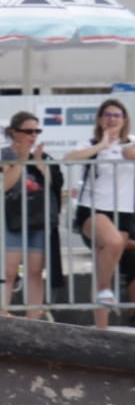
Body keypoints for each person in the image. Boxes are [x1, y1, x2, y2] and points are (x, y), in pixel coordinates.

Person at [64, 98, 135, 326]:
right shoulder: (90, 142)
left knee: (104, 268)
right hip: (93, 209)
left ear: (125, 120)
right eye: (108, 114)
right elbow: (69, 158)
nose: (112, 119)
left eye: (117, 115)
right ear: (99, 119)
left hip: (124, 212)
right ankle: (104, 289)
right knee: (113, 243)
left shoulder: (132, 143)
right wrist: (102, 145)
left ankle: (101, 329)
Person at [0, 111, 61, 320]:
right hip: (11, 217)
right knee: (8, 271)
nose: (33, 135)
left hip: (38, 219)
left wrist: (40, 164)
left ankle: (33, 317)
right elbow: (3, 186)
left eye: (36, 131)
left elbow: (53, 185)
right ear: (14, 132)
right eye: (28, 131)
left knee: (35, 271)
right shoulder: (4, 155)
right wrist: (22, 160)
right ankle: (1, 314)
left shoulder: (42, 156)